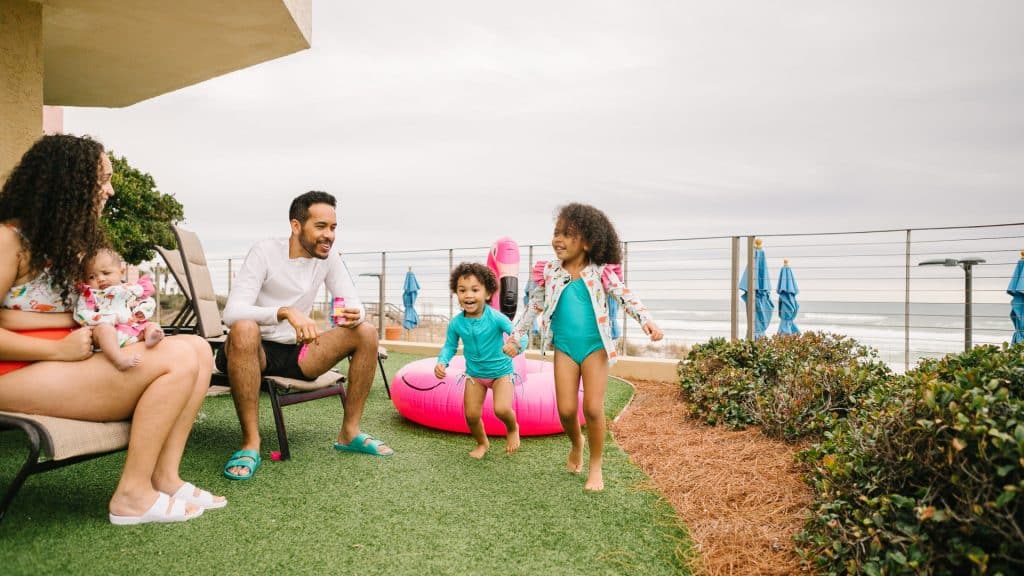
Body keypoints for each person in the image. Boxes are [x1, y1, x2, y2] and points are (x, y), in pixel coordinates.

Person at [0, 134, 225, 524]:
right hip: (18, 373)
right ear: (67, 183)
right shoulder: (7, 239)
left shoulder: (61, 243)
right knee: (176, 359)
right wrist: (57, 350)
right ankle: (132, 496)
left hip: (69, 362)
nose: (110, 189)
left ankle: (165, 477)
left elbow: (77, 316)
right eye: (102, 179)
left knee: (198, 349)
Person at [218, 190, 393, 480]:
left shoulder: (328, 257)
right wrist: (284, 312)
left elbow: (353, 302)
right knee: (245, 327)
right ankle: (251, 443)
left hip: (298, 353)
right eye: (321, 227)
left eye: (333, 227)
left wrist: (355, 314)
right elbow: (232, 312)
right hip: (250, 350)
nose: (329, 235)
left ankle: (350, 433)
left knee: (366, 332)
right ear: (296, 226)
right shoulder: (264, 252)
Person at [504, 203, 663, 492]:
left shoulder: (600, 272)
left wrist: (646, 321)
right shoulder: (548, 271)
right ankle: (576, 442)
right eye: (556, 232)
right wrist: (516, 336)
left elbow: (625, 296)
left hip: (595, 347)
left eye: (568, 234)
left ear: (588, 242)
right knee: (565, 410)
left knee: (592, 408)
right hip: (564, 347)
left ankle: (596, 466)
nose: (558, 239)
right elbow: (533, 306)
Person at [435, 263, 527, 459]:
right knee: (471, 415)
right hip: (475, 375)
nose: (468, 295)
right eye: (462, 290)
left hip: (501, 372)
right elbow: (450, 346)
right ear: (456, 293)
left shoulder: (496, 318)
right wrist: (442, 361)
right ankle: (482, 442)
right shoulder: (457, 323)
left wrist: (516, 345)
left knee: (501, 409)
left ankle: (512, 428)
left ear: (487, 294)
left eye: (475, 290)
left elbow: (519, 334)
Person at [74, 247, 165, 370]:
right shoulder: (90, 294)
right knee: (105, 330)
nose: (100, 279)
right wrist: (109, 319)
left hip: (131, 328)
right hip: (107, 331)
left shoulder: (129, 289)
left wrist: (142, 311)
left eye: (106, 273)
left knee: (151, 325)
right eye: (92, 277)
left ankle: (150, 337)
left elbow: (148, 300)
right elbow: (81, 314)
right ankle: (119, 360)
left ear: (121, 272)